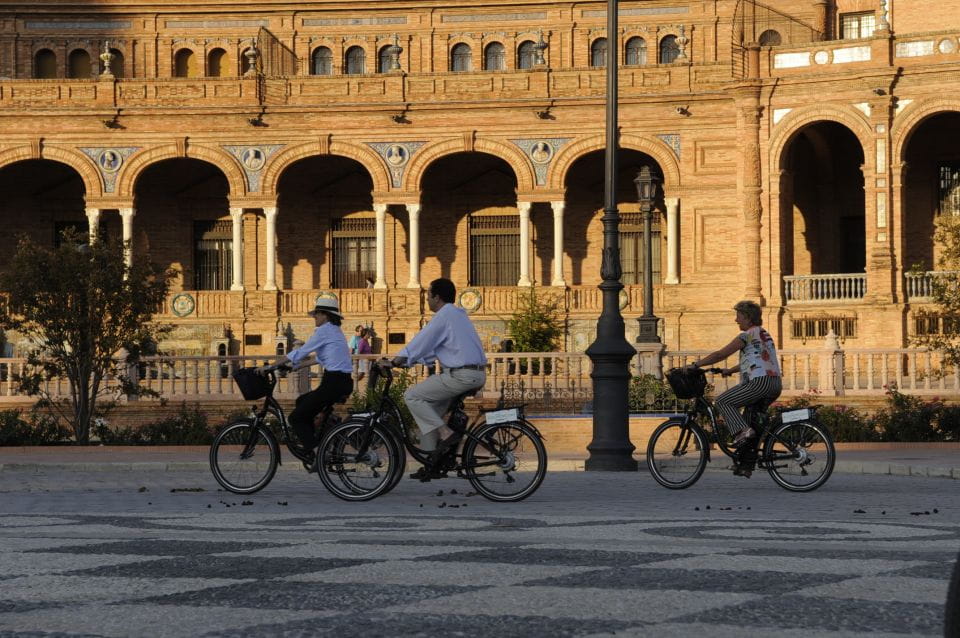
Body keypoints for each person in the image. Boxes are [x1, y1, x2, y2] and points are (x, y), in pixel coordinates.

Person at [388, 277, 487, 480]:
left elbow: (421, 341)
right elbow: (433, 351)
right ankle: (431, 462)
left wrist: (394, 361)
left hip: (461, 375)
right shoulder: (458, 314)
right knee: (429, 413)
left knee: (412, 396)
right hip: (474, 373)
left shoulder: (444, 316)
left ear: (437, 297)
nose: (426, 300)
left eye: (428, 295)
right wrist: (405, 362)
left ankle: (445, 433)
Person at [256, 297, 353, 468]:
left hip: (333, 383)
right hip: (342, 381)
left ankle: (316, 452)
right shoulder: (336, 331)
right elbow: (322, 358)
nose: (314, 317)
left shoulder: (323, 331)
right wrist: (297, 366)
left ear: (325, 315)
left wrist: (272, 366)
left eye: (316, 314)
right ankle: (324, 431)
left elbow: (302, 351)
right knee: (301, 401)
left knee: (296, 418)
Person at [688, 300, 782, 449]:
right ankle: (746, 462)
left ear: (748, 318)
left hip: (759, 383)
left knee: (722, 401)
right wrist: (730, 371)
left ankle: (742, 431)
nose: (736, 320)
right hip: (775, 384)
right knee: (751, 418)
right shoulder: (764, 334)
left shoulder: (746, 335)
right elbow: (756, 361)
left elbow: (720, 354)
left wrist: (695, 365)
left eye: (739, 316)